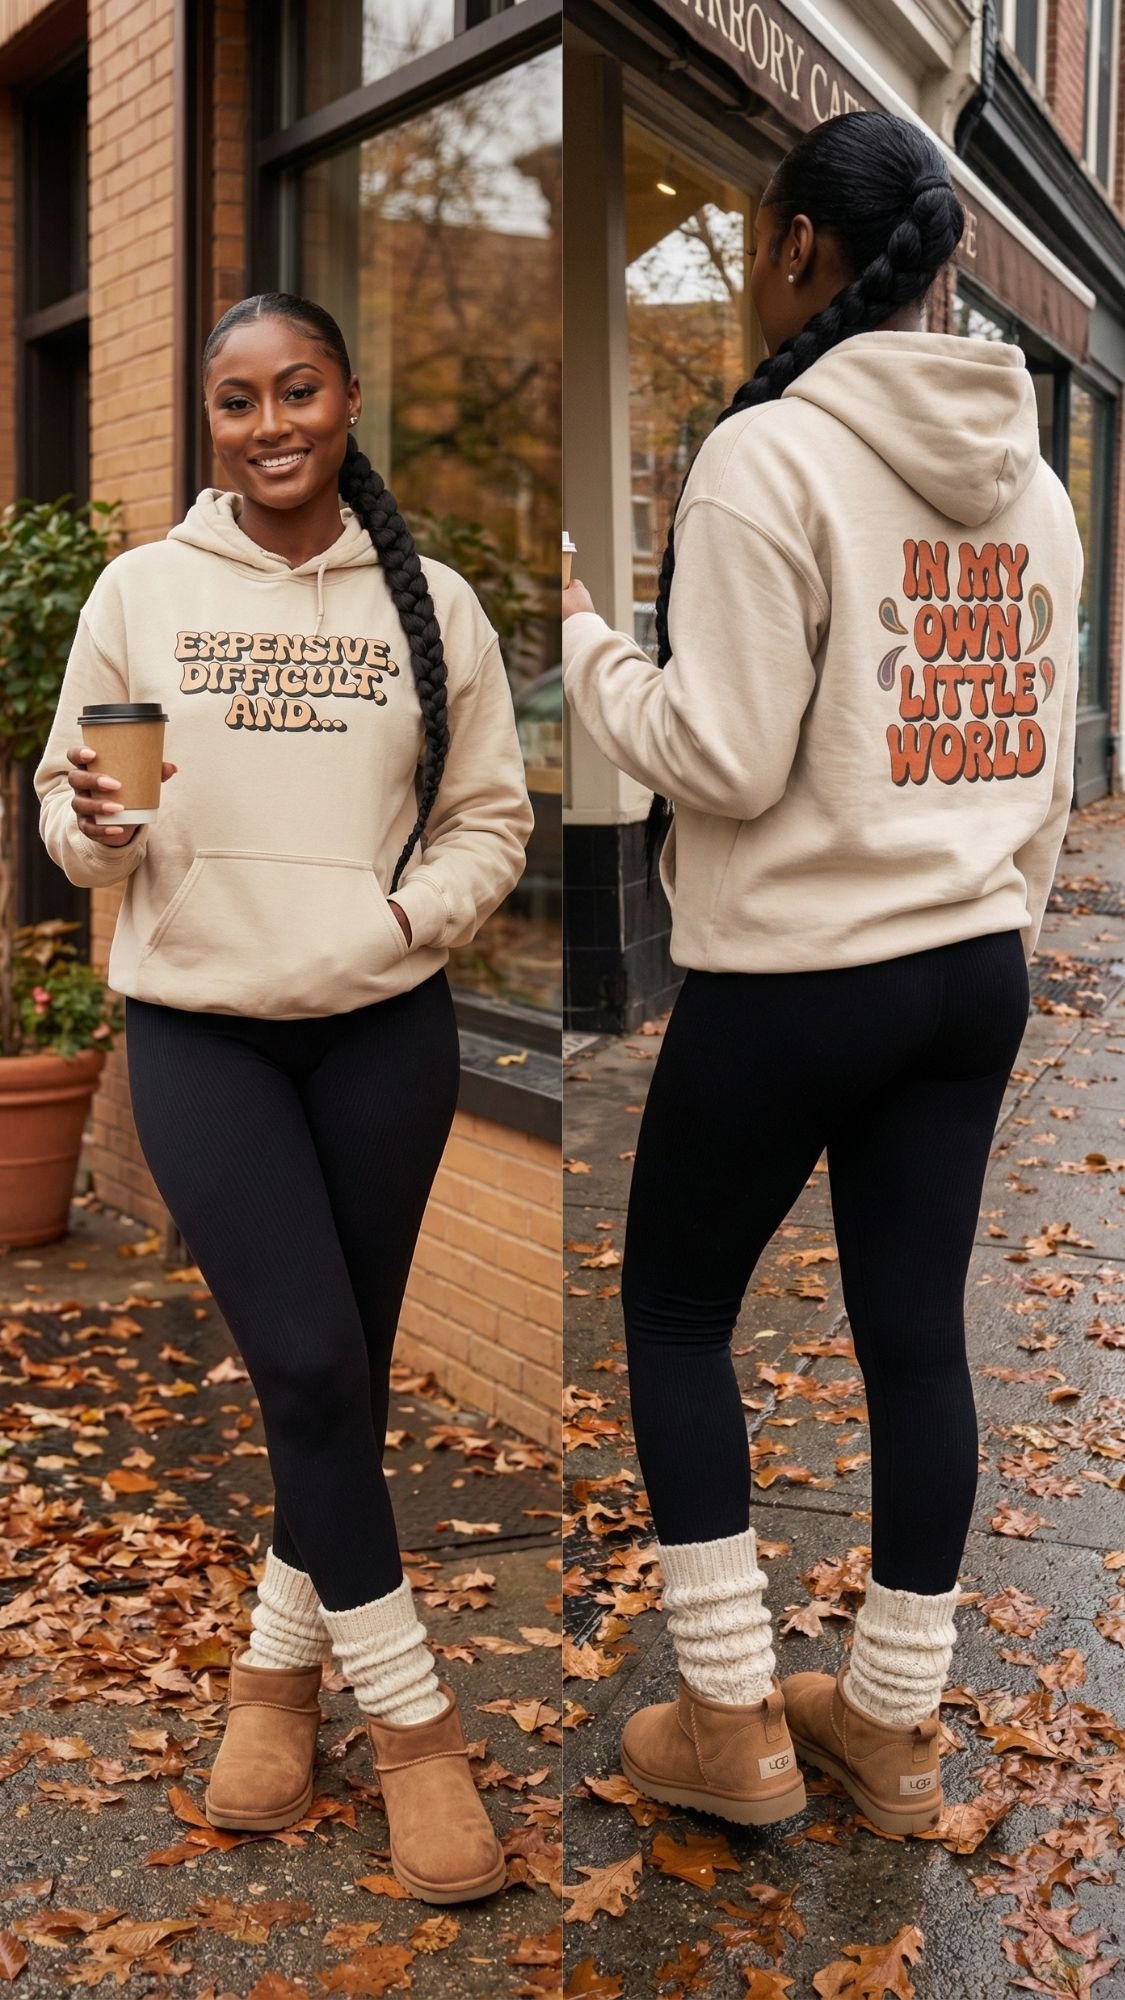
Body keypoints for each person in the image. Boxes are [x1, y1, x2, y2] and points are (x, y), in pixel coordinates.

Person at [561, 109, 1083, 1838]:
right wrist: (1001, 921)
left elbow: (716, 757)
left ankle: (732, 1726)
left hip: (797, 974)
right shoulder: (1036, 486)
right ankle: (892, 1727)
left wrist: (588, 654)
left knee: (672, 1311)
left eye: (751, 234)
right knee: (916, 1341)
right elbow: (1036, 771)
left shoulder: (766, 456)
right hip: (968, 968)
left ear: (796, 245)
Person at [34, 292, 534, 1904]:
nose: (268, 426)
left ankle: (273, 1673)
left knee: (343, 1387)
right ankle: (414, 1728)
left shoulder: (435, 603)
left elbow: (490, 821)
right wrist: (95, 830)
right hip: (205, 1034)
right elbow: (66, 811)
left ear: (348, 398)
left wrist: (400, 923)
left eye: (296, 390)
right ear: (211, 420)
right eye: (237, 400)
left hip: (385, 1029)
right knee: (307, 1366)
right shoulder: (142, 590)